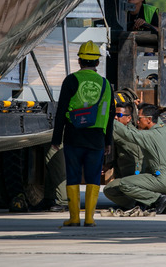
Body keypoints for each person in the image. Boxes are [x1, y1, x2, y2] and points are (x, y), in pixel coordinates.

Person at [51, 41, 114, 227]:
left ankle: (74, 218)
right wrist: (108, 140)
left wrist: (56, 138)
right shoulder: (105, 84)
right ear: (97, 62)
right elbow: (109, 115)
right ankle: (89, 218)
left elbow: (61, 110)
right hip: (96, 138)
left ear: (79, 61)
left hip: (73, 136)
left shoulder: (71, 80)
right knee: (94, 176)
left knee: (73, 175)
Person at [103, 104, 166, 213]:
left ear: (149, 119)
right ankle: (161, 204)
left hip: (164, 180)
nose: (137, 122)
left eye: (139, 118)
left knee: (125, 183)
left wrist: (109, 118)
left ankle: (159, 200)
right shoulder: (163, 130)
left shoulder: (149, 136)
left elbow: (128, 134)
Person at [112, 102, 143, 178]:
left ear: (129, 118)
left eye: (119, 115)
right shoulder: (128, 130)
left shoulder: (126, 133)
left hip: (131, 175)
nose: (115, 117)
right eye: (114, 115)